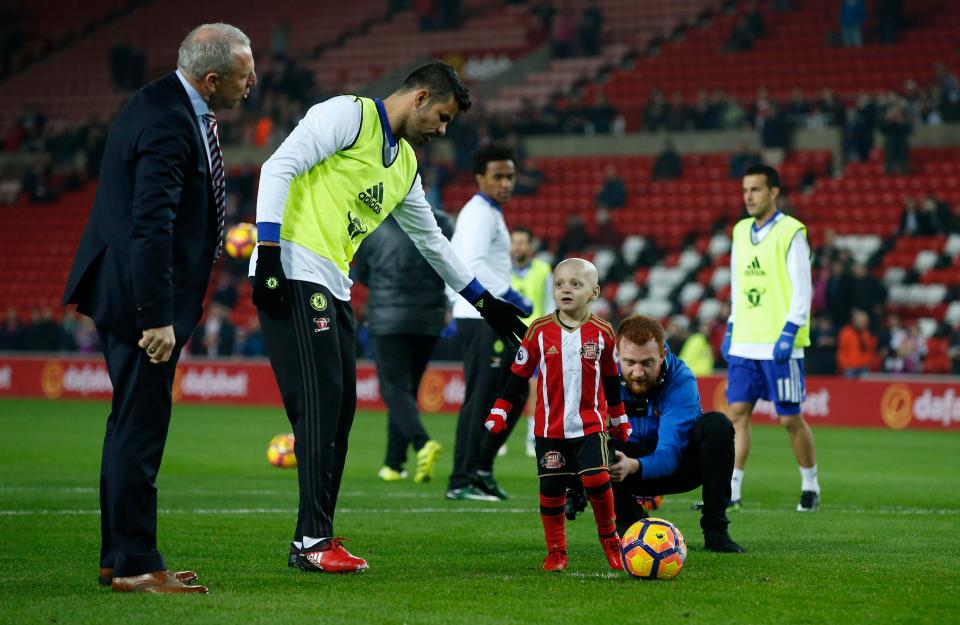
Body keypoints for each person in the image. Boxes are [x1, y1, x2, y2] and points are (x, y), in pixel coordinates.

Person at [249, 61, 527, 573]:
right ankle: (312, 539)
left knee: (341, 411)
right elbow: (277, 167)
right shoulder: (347, 115)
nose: (442, 130)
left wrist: (485, 302)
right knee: (320, 405)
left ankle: (315, 535)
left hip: (332, 280)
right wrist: (267, 253)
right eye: (441, 117)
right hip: (291, 263)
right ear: (420, 98)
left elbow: (433, 242)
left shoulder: (403, 167)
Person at [62, 23, 257, 594]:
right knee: (142, 429)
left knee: (128, 424)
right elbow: (151, 224)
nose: (253, 84)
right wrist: (156, 316)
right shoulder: (171, 121)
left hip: (126, 289)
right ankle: (136, 566)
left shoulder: (159, 103)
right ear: (213, 77)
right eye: (245, 76)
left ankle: (118, 556)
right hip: (140, 301)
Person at [485, 258, 631, 571]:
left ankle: (611, 540)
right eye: (560, 284)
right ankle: (556, 552)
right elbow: (518, 373)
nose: (566, 290)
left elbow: (611, 380)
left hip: (591, 425)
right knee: (551, 490)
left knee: (597, 478)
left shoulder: (604, 333)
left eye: (576, 284)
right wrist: (501, 408)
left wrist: (619, 419)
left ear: (594, 292)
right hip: (550, 430)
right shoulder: (538, 330)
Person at [722, 164, 820, 513]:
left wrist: (791, 330)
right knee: (737, 413)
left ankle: (810, 485)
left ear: (773, 192)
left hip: (780, 343)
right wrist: (732, 326)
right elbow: (738, 284)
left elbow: (802, 287)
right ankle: (731, 490)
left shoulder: (791, 231)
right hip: (745, 341)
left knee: (789, 419)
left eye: (756, 190)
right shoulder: (739, 231)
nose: (749, 196)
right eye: (745, 190)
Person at [605, 315, 744, 553]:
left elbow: (669, 455)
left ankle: (716, 531)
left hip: (680, 467)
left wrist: (634, 465)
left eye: (647, 363)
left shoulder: (681, 380)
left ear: (662, 355)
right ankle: (630, 524)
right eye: (630, 362)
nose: (637, 372)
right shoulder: (601, 375)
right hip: (622, 470)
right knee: (589, 444)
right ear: (618, 355)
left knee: (717, 425)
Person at [445, 143, 533, 502]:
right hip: (481, 317)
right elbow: (472, 265)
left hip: (483, 315)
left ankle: (480, 469)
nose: (506, 183)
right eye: (498, 176)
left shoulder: (488, 212)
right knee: (482, 400)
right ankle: (461, 479)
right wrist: (508, 297)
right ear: (479, 177)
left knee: (515, 391)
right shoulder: (480, 213)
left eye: (510, 176)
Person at [351, 208, 452, 483]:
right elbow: (452, 265)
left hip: (388, 316)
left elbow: (363, 274)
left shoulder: (372, 221)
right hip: (429, 318)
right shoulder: (441, 222)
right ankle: (393, 463)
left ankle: (422, 443)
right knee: (405, 392)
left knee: (393, 388)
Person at [508, 226, 554, 458]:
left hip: (533, 340)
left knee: (535, 390)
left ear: (530, 246)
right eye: (514, 242)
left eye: (522, 242)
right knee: (500, 387)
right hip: (506, 337)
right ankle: (498, 435)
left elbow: (549, 305)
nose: (517, 246)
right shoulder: (501, 269)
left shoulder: (543, 269)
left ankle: (532, 436)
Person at [837, 308, 877, 377]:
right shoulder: (846, 332)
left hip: (864, 367)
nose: (862, 322)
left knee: (865, 387)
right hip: (849, 368)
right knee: (848, 387)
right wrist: (844, 365)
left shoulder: (868, 333)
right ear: (854, 320)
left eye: (864, 320)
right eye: (860, 320)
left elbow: (871, 350)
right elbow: (842, 350)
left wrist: (868, 363)